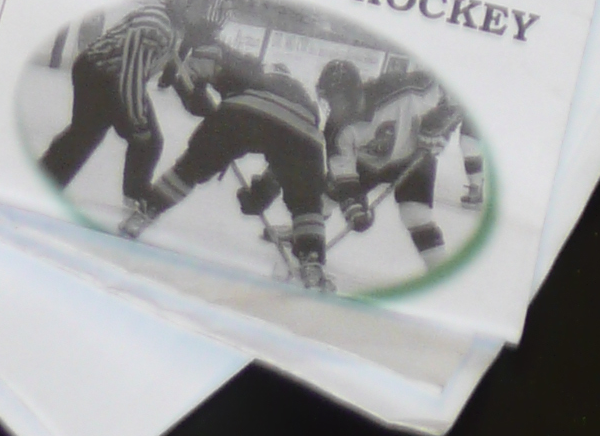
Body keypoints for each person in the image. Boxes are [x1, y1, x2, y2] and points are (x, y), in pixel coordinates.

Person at [123, 41, 330, 288]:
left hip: (242, 113)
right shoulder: (305, 99)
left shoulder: (251, 74)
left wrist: (195, 96)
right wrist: (261, 194)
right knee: (305, 200)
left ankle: (148, 210)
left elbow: (200, 68)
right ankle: (311, 258)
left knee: (190, 168)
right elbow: (283, 167)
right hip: (302, 132)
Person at [38, 1, 202, 214]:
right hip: (101, 74)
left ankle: (46, 176)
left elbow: (159, 65)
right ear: (186, 4)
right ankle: (135, 197)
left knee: (85, 135)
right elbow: (130, 78)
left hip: (104, 71)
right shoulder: (156, 27)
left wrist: (192, 95)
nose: (202, 15)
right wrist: (137, 122)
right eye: (200, 7)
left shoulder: (170, 20)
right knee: (140, 139)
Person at [323, 58, 474, 266]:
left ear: (357, 89)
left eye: (341, 99)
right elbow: (343, 172)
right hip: (368, 164)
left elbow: (456, 91)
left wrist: (442, 122)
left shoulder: (403, 89)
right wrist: (353, 206)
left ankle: (439, 266)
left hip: (412, 156)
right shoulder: (335, 129)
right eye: (331, 101)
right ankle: (307, 234)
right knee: (325, 199)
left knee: (415, 214)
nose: (338, 108)